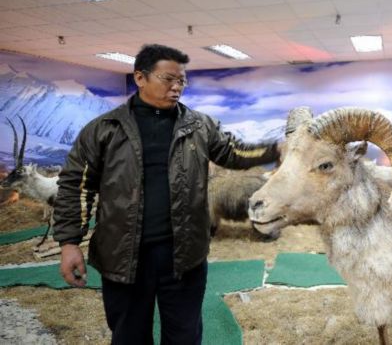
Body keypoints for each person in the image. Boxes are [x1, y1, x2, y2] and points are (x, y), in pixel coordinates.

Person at [52, 44, 280, 345]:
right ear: (140, 78)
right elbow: (76, 186)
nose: (177, 87)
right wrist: (69, 243)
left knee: (185, 335)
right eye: (168, 79)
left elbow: (232, 151)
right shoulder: (103, 130)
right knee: (129, 336)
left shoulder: (200, 126)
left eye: (181, 81)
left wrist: (277, 150)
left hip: (184, 257)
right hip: (123, 259)